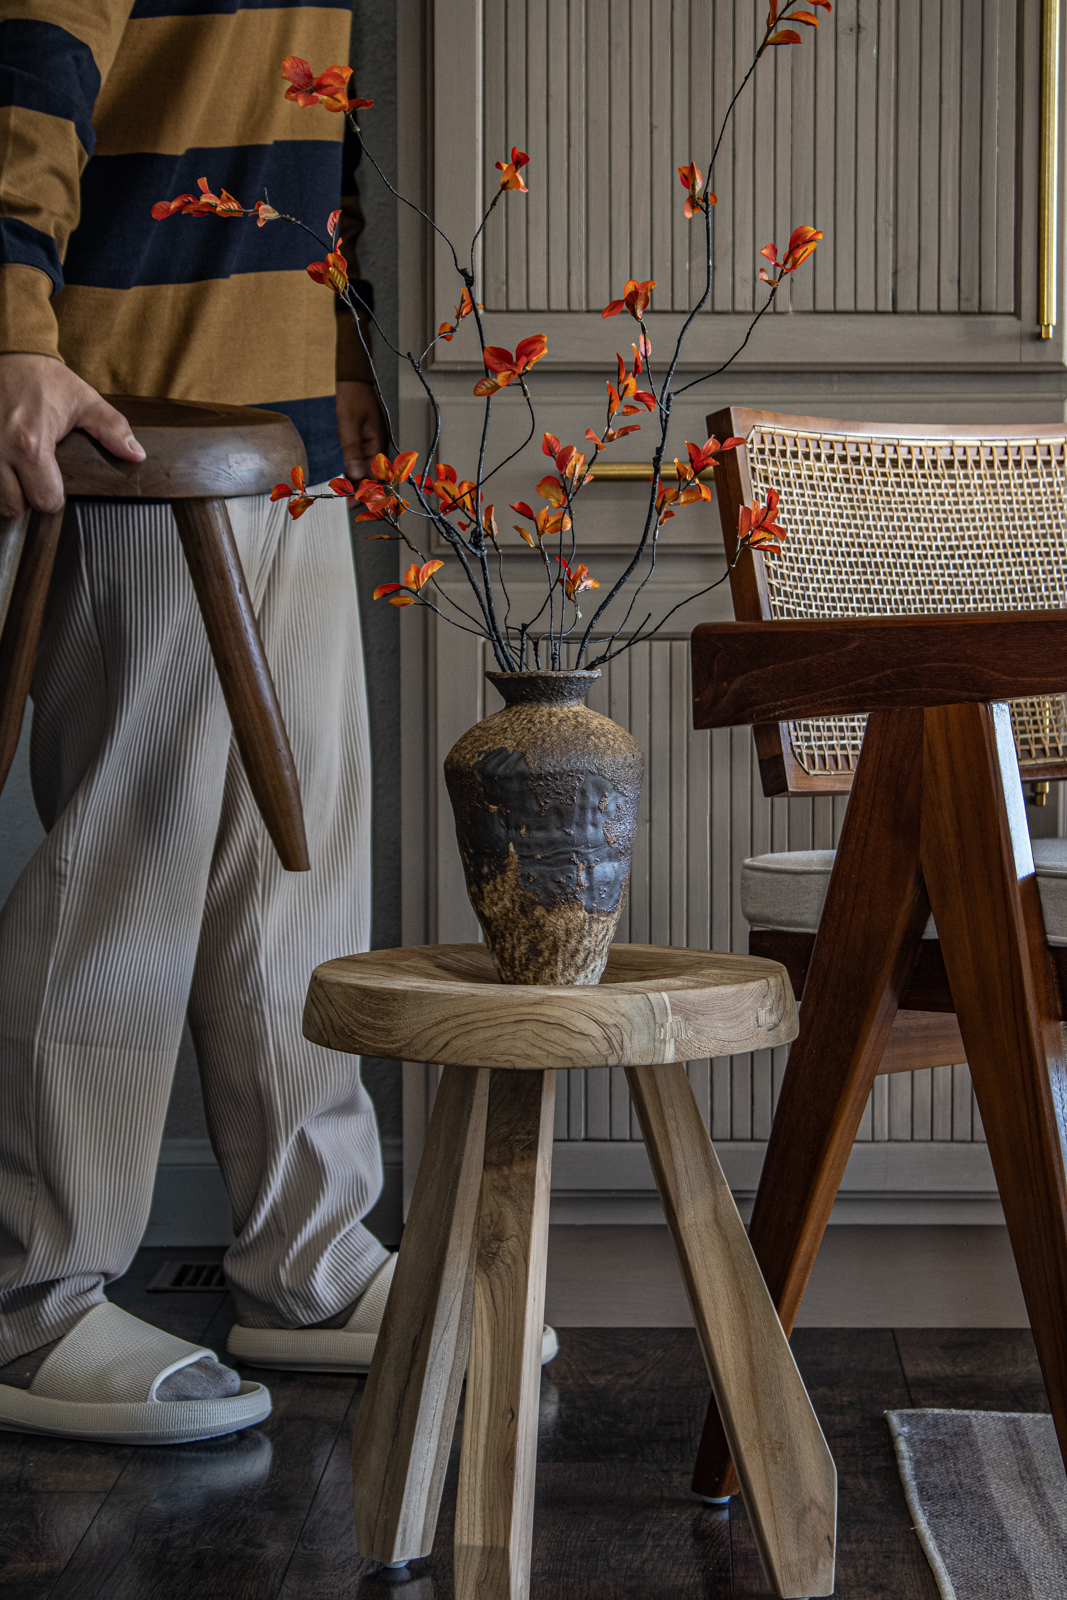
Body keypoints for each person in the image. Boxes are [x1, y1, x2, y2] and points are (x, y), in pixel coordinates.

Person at [0, 0, 411, 1446]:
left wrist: (344, 351)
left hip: (276, 427)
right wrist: (9, 331)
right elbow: (32, 59)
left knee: (299, 879)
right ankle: (28, 1302)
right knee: (133, 869)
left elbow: (302, 110)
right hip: (134, 423)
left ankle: (305, 1259)